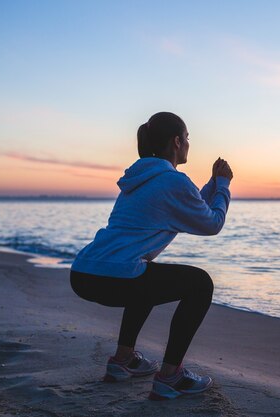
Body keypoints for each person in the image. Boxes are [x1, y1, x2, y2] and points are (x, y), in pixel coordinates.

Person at [69, 111, 233, 401]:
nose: (189, 145)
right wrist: (223, 187)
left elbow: (192, 203)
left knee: (144, 273)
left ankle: (123, 361)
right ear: (177, 141)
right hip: (114, 276)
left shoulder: (142, 179)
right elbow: (212, 223)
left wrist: (212, 184)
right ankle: (171, 376)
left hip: (83, 273)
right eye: (188, 139)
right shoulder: (172, 181)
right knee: (200, 284)